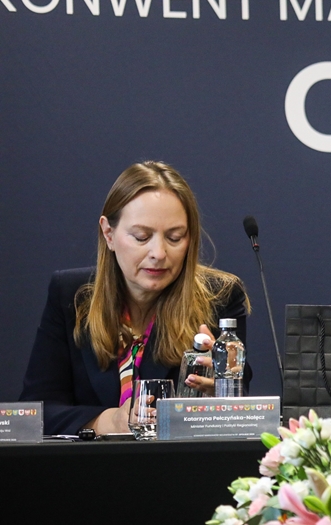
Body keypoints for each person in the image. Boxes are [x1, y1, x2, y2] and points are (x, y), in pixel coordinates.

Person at [20, 161, 251, 435]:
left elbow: (242, 404)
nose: (159, 253)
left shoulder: (220, 296)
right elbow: (36, 412)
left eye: (175, 237)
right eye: (142, 237)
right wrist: (110, 421)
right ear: (109, 233)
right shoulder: (70, 294)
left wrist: (223, 396)